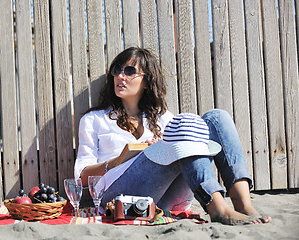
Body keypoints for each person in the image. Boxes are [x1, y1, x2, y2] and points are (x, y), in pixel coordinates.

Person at [74, 47, 271, 225]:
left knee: (217, 118)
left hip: (168, 197)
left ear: (146, 81)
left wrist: (164, 147)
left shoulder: (163, 118)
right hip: (117, 196)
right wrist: (120, 159)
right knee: (181, 131)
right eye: (117, 70)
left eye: (129, 71)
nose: (120, 76)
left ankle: (242, 203)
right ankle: (216, 206)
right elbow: (81, 177)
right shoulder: (94, 119)